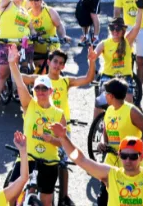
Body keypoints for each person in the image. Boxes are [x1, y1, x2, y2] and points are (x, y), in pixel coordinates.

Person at [19, 47, 98, 205]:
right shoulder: (39, 79)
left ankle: (64, 196)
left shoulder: (65, 81)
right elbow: (22, 78)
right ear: (48, 62)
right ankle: (29, 193)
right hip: (40, 122)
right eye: (55, 61)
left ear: (63, 66)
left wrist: (92, 61)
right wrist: (12, 65)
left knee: (62, 162)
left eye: (61, 63)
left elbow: (88, 79)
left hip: (61, 127)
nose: (57, 65)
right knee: (34, 158)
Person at [8, 45, 66, 206]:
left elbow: (63, 142)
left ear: (51, 91)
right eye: (37, 88)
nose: (40, 91)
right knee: (11, 193)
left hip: (49, 161)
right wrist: (12, 64)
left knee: (46, 201)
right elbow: (20, 84)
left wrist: (51, 140)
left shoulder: (58, 113)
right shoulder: (29, 104)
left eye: (44, 88)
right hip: (28, 157)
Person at [51, 124, 143, 206]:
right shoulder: (111, 175)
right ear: (119, 155)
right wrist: (63, 138)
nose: (128, 160)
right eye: (124, 156)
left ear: (141, 157)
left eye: (133, 156)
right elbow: (81, 160)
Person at [0, 0, 33, 112]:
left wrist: (35, 34)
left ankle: (24, 97)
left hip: (23, 45)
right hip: (5, 43)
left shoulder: (25, 11)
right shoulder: (7, 5)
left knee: (26, 71)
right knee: (3, 73)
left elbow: (30, 27)